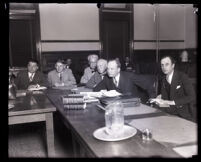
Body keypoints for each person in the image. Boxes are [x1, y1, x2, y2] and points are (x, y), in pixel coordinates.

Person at [150, 56, 196, 121]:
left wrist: (172, 102)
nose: (164, 67)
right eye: (162, 65)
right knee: (153, 112)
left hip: (183, 113)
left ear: (173, 65)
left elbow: (192, 96)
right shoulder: (163, 79)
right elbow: (165, 98)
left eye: (167, 64)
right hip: (170, 110)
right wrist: (159, 98)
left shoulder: (182, 76)